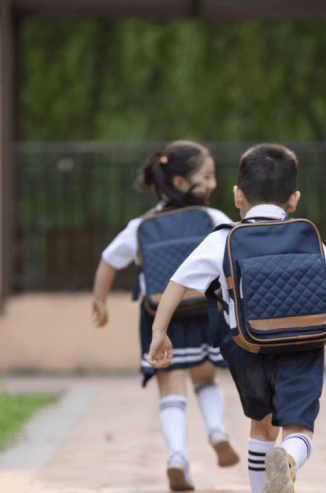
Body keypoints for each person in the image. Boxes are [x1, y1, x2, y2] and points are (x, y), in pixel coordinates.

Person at [146, 143, 326, 493]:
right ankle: (288, 458)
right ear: (294, 200)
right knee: (299, 428)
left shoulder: (224, 239)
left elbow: (177, 282)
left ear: (238, 195)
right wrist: (320, 330)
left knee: (261, 426)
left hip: (246, 349)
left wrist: (159, 331)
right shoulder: (305, 235)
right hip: (301, 350)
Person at [92, 140, 239, 491]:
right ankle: (217, 431)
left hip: (162, 320)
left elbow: (109, 260)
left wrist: (100, 300)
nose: (213, 183)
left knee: (170, 390)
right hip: (205, 312)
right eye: (207, 176)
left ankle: (177, 457)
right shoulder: (213, 219)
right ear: (180, 182)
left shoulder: (141, 225)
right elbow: (239, 250)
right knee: (205, 378)